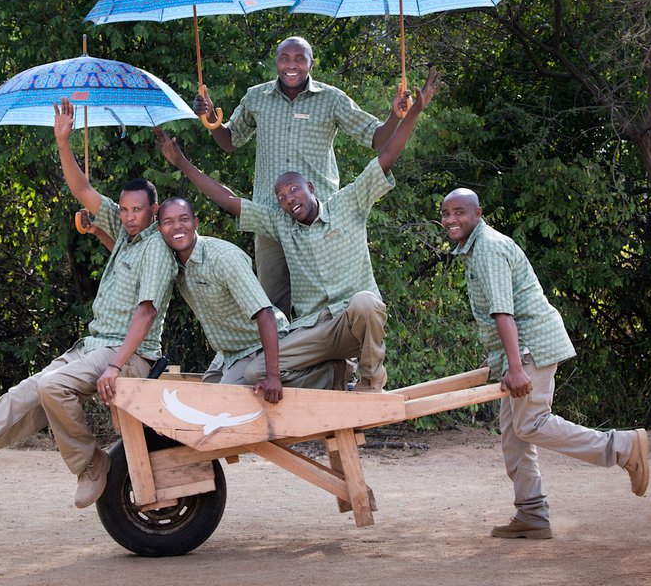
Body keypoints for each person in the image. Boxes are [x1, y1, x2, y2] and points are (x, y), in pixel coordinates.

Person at [0, 97, 177, 509]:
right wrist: (63, 141)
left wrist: (115, 365)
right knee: (19, 399)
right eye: (125, 209)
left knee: (51, 385)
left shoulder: (155, 248)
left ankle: (91, 463)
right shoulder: (123, 235)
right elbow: (82, 188)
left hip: (128, 354)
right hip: (93, 347)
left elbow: (146, 312)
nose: (129, 216)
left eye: (137, 211)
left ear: (153, 211)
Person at [159, 69, 440, 394]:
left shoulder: (347, 204)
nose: (289, 199)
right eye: (281, 197)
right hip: (314, 330)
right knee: (259, 370)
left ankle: (370, 378)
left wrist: (414, 111)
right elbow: (228, 198)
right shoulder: (281, 224)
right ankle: (332, 374)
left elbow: (386, 154)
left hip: (351, 320)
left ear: (309, 187)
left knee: (366, 303)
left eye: (293, 191)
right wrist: (181, 162)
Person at [439, 187, 650, 540]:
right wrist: (500, 359)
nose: (450, 220)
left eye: (459, 212)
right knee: (514, 434)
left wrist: (516, 366)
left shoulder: (488, 248)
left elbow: (503, 312)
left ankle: (622, 447)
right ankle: (532, 514)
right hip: (519, 350)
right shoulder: (477, 248)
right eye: (445, 214)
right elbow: (500, 315)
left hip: (530, 347)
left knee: (532, 424)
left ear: (478, 214)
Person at [193, 36, 406, 320]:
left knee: (329, 303)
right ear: (276, 62)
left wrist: (396, 115)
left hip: (320, 222)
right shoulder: (257, 97)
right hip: (271, 218)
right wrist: (211, 120)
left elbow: (377, 138)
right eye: (284, 58)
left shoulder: (332, 99)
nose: (291, 65)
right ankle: (284, 363)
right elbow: (230, 140)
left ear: (311, 64)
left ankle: (335, 361)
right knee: (272, 302)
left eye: (299, 59)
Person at [154, 197, 340, 398]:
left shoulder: (222, 258)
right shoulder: (174, 264)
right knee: (203, 399)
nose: (177, 226)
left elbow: (264, 312)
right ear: (159, 229)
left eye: (184, 219)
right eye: (168, 222)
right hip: (228, 353)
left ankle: (329, 372)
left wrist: (272, 375)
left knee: (227, 402)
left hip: (258, 344)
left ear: (196, 223)